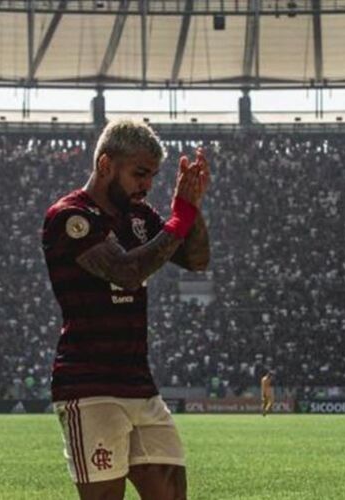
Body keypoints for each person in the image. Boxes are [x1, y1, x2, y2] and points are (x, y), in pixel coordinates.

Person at [42, 119, 210, 500]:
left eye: (151, 176)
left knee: (171, 493)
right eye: (139, 173)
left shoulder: (140, 216)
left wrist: (190, 208)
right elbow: (127, 272)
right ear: (105, 165)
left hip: (138, 383)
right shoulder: (70, 217)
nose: (146, 185)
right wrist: (179, 219)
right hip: (88, 384)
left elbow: (196, 259)